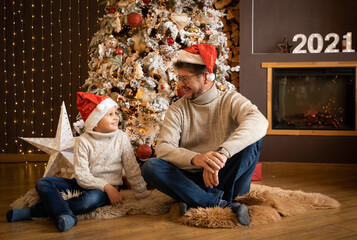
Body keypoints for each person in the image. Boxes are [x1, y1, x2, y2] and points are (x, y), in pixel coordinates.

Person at [141, 43, 268, 226]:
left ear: (207, 76)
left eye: (186, 78)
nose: (181, 84)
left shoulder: (230, 99)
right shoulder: (177, 110)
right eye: (180, 78)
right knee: (151, 167)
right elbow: (163, 149)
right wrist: (198, 159)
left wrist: (222, 154)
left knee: (253, 139)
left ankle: (195, 199)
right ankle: (220, 203)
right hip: (191, 176)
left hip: (224, 174)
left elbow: (260, 122)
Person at [6, 92, 148, 232]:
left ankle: (33, 212)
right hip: (84, 183)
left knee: (88, 201)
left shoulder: (121, 137)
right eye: (109, 114)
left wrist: (142, 195)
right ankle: (65, 215)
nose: (116, 118)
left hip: (103, 191)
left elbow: (132, 169)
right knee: (44, 182)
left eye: (115, 113)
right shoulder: (83, 141)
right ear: (95, 122)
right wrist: (106, 186)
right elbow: (82, 176)